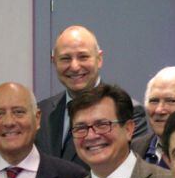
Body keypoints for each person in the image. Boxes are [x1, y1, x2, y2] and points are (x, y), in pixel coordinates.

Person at [36, 25, 148, 165]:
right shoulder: (41, 112)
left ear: (99, 59)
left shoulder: (129, 112)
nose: (75, 66)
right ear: (54, 62)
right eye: (65, 58)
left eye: (83, 57)